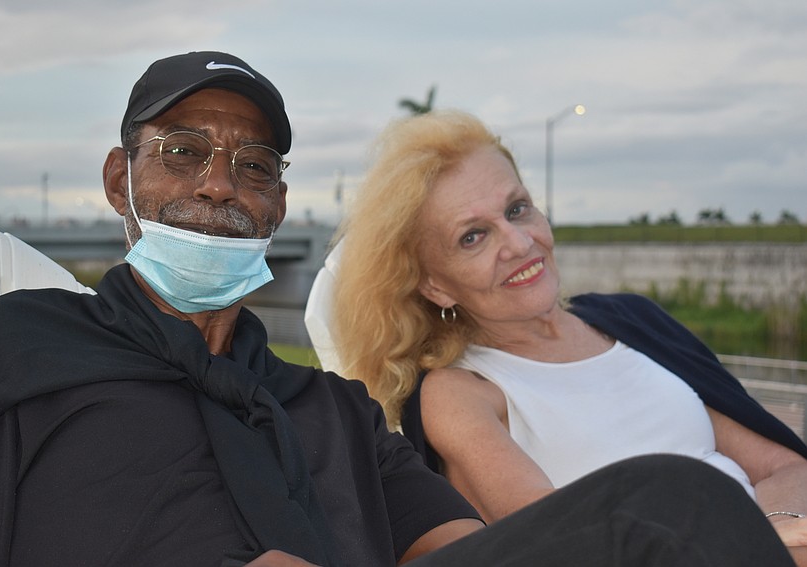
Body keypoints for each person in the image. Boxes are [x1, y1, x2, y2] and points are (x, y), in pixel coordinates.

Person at [0, 53, 796, 567]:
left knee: (673, 502)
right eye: (183, 152)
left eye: (254, 165)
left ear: (279, 204)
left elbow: (466, 547)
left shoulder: (329, 408)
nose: (220, 182)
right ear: (119, 180)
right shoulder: (12, 344)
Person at [321, 109, 807, 564]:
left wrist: (772, 533)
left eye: (517, 209)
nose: (518, 243)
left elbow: (784, 467)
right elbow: (568, 543)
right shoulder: (459, 393)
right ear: (435, 285)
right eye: (473, 236)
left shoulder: (629, 319)